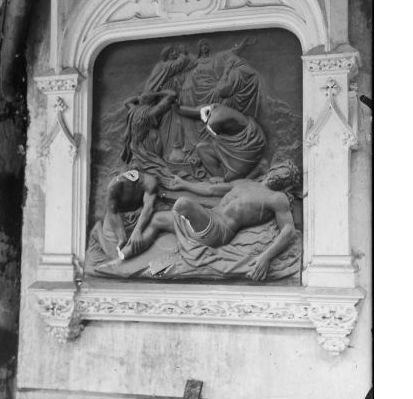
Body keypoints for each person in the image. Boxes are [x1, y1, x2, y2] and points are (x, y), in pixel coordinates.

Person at [119, 160, 301, 282]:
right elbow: (213, 190)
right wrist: (183, 184)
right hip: (208, 217)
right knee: (157, 219)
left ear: (287, 184)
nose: (279, 175)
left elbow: (289, 231)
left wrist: (266, 257)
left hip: (218, 231)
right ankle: (124, 256)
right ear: (273, 168)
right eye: (280, 170)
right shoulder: (247, 183)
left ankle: (186, 248)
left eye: (285, 176)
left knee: (183, 204)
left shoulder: (277, 198)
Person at [174, 101, 266, 181]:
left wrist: (193, 156)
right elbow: (186, 110)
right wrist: (174, 104)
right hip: (233, 144)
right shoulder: (208, 109)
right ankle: (221, 179)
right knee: (201, 149)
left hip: (246, 148)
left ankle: (256, 169)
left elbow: (217, 139)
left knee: (232, 180)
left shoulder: (213, 122)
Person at [94, 168, 158, 259]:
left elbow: (149, 207)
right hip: (118, 219)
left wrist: (137, 230)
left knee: (135, 248)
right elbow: (113, 212)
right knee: (115, 256)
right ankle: (98, 228)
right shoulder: (114, 185)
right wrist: (121, 237)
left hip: (138, 216)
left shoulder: (150, 182)